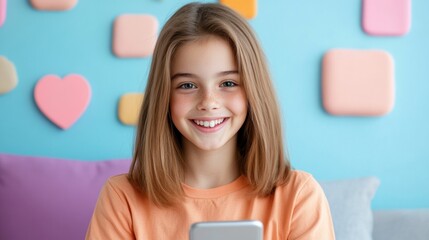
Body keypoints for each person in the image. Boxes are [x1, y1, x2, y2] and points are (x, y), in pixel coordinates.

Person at [86, 2, 335, 239]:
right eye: (187, 85)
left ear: (252, 91)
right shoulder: (122, 198)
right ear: (164, 95)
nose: (208, 101)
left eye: (228, 83)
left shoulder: (298, 196)